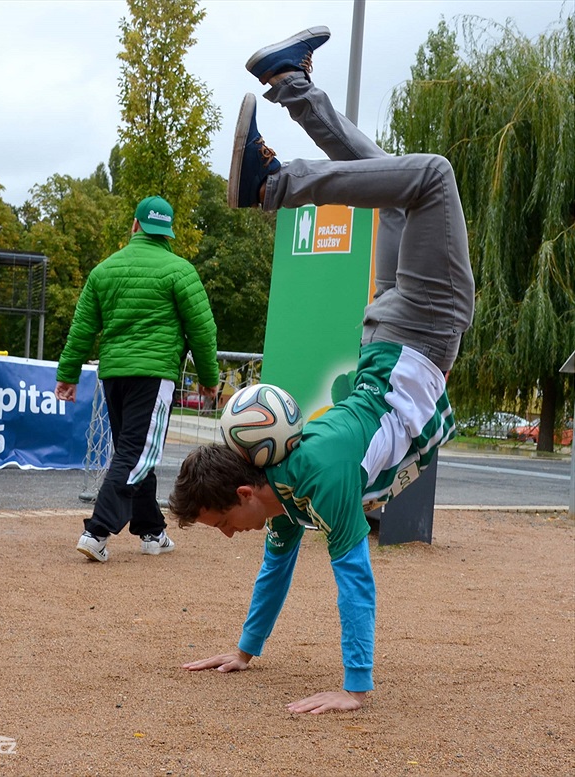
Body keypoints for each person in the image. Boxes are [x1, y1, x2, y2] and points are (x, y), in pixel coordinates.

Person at [168, 27, 475, 714]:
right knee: (396, 186)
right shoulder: (284, 489)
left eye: (222, 524)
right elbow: (277, 568)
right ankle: (292, 85)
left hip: (422, 330)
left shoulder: (317, 475)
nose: (229, 536)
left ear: (244, 492)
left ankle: (276, 185)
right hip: (390, 337)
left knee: (430, 177)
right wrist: (245, 650)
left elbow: (354, 575)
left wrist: (354, 688)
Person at [55, 195, 219, 562]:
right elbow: (202, 331)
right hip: (154, 374)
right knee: (137, 453)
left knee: (134, 451)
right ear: (168, 232)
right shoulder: (180, 271)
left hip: (114, 376)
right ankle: (96, 532)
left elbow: (82, 328)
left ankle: (152, 531)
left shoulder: (103, 270)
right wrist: (209, 377)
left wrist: (67, 374)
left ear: (135, 225)